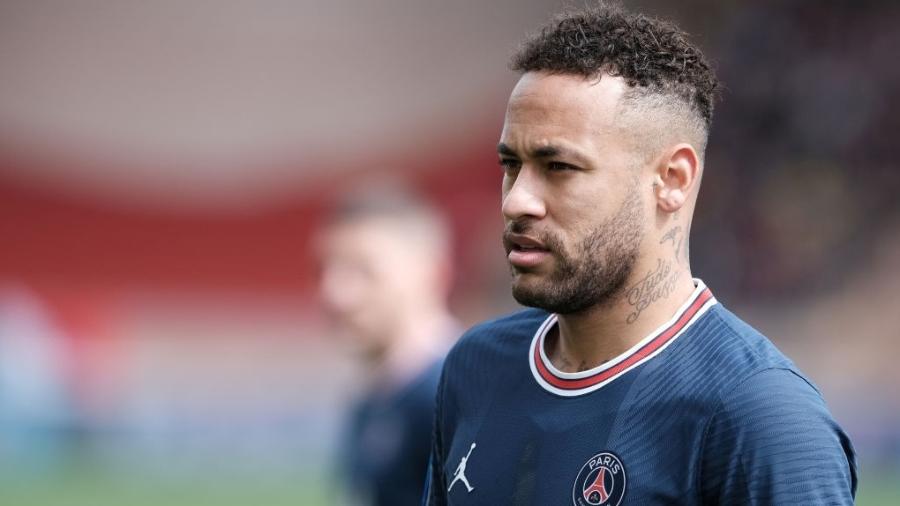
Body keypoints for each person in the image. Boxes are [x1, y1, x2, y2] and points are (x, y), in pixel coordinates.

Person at [424, 4, 857, 505]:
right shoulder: (475, 368)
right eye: (510, 164)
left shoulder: (760, 416)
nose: (517, 200)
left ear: (671, 180)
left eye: (559, 166)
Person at [316, 186, 459, 506]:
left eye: (364, 270)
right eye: (326, 269)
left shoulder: (456, 399)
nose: (334, 293)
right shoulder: (371, 402)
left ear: (433, 272)